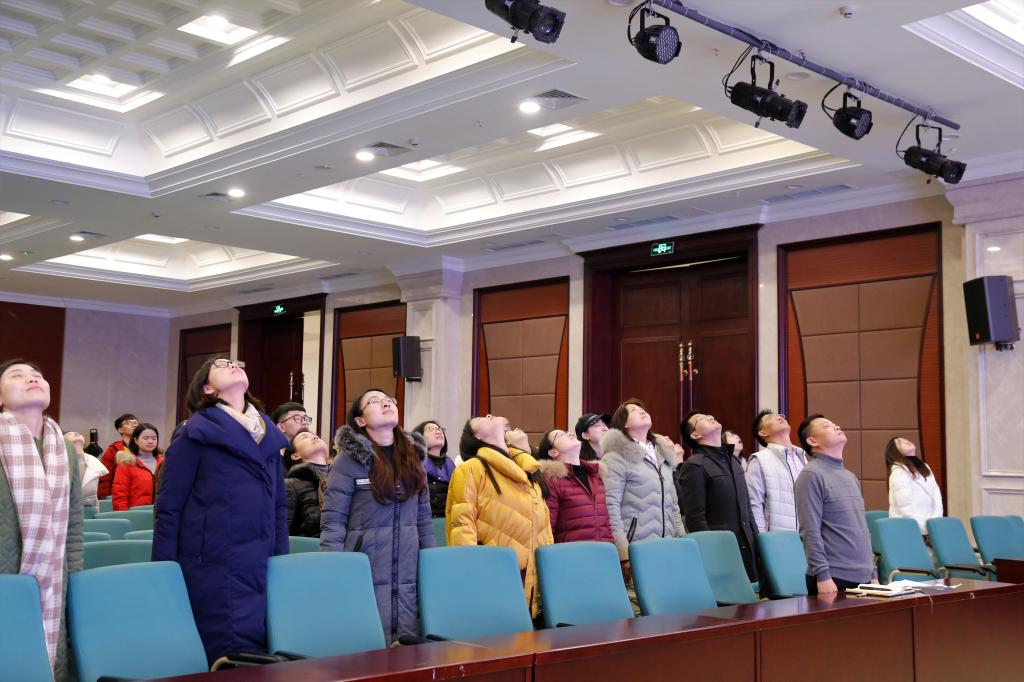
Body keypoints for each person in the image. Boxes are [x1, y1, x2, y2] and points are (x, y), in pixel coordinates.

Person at [152, 358, 288, 664]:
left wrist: (282, 560)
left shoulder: (266, 434)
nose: (233, 365)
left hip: (262, 560)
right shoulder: (194, 434)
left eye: (236, 362)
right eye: (222, 364)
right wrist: (164, 574)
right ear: (207, 388)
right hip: (212, 564)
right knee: (225, 655)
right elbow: (169, 508)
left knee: (262, 655)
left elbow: (279, 506)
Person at [321, 389, 434, 643]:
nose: (385, 404)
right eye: (374, 401)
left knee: (408, 642)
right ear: (360, 420)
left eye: (388, 400)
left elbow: (424, 521)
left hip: (409, 564)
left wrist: (431, 565)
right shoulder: (347, 462)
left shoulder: (413, 459)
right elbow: (333, 521)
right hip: (364, 564)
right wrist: (332, 569)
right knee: (367, 642)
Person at [0, 359, 83, 681]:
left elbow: (73, 528)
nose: (32, 379)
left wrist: (74, 586)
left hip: (51, 587)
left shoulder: (65, 450)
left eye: (37, 375)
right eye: (17, 375)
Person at [448, 414, 553, 616]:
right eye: (480, 419)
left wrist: (547, 565)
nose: (489, 415)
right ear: (477, 437)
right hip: (495, 570)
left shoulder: (528, 468)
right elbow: (462, 525)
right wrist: (471, 572)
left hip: (534, 570)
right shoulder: (471, 469)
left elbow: (544, 524)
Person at [795, 414, 876, 594]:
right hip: (833, 577)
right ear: (813, 441)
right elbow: (810, 530)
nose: (836, 427)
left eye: (835, 424)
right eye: (826, 426)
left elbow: (862, 528)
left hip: (864, 576)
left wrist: (873, 572)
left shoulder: (850, 476)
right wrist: (823, 576)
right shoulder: (811, 475)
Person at [600, 399, 685, 570]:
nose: (641, 411)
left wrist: (683, 540)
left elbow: (674, 505)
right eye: (633, 410)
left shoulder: (663, 455)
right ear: (624, 423)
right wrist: (623, 553)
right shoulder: (615, 457)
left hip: (670, 545)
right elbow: (610, 507)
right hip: (637, 547)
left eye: (642, 408)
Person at [678, 411, 759, 581]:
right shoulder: (694, 465)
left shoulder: (734, 462)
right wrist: (711, 553)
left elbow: (747, 510)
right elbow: (695, 519)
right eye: (701, 419)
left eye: (708, 415)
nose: (710, 417)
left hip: (748, 547)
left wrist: (757, 542)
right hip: (721, 551)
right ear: (695, 435)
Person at [537, 428, 613, 544]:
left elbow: (606, 524)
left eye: (567, 432)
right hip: (572, 552)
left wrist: (612, 548)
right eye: (561, 435)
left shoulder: (595, 475)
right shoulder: (553, 481)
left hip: (603, 550)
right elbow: (548, 529)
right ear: (553, 452)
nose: (569, 434)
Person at [746, 409, 807, 533]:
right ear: (763, 432)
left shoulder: (802, 457)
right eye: (770, 417)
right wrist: (763, 539)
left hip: (806, 537)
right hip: (778, 538)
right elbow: (755, 504)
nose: (780, 417)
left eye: (780, 416)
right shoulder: (759, 459)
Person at [886, 437, 943, 535]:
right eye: (900, 442)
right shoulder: (898, 472)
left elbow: (937, 497)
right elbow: (906, 508)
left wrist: (934, 524)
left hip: (929, 529)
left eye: (905, 439)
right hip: (907, 530)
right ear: (895, 452)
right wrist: (926, 531)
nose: (906, 440)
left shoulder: (925, 467)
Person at [284, 431, 331, 537]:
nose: (315, 438)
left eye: (316, 436)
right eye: (305, 437)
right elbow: (282, 531)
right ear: (295, 455)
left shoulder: (342, 479)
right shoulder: (291, 485)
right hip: (313, 546)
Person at [112, 423, 163, 511]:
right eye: (146, 438)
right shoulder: (127, 463)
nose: (150, 441)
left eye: (154, 438)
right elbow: (120, 495)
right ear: (136, 440)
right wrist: (123, 515)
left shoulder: (163, 463)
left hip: (160, 514)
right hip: (135, 514)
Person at [413, 420, 454, 518]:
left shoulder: (452, 467)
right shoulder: (414, 466)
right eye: (431, 429)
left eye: (439, 429)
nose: (438, 431)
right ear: (420, 438)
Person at [97, 413, 138, 499]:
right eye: (128, 423)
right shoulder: (113, 449)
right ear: (120, 430)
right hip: (120, 494)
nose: (134, 425)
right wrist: (104, 498)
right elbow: (105, 477)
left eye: (135, 423)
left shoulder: (145, 448)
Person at [66, 430, 108, 512]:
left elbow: (95, 499)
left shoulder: (94, 463)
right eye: (70, 434)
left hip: (89, 513)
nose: (76, 432)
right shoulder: (57, 464)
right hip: (65, 513)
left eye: (78, 433)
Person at [272, 402, 311, 471]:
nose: (305, 422)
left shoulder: (308, 455)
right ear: (281, 427)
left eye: (305, 418)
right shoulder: (271, 458)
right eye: (297, 418)